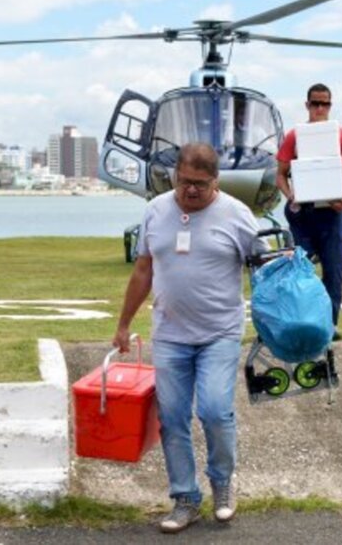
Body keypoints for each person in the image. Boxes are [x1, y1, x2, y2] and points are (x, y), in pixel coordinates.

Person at [112, 142, 266, 534]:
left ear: (215, 181)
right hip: (169, 334)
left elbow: (264, 267)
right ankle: (185, 498)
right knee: (172, 418)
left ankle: (222, 484)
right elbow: (143, 270)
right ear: (174, 176)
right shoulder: (156, 210)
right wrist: (124, 323)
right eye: (184, 182)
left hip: (219, 332)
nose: (190, 191)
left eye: (200, 183)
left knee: (215, 411)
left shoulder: (236, 215)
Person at [275, 83, 342, 338]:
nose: (320, 108)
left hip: (331, 213)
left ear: (330, 106)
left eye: (325, 104)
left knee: (334, 270)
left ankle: (329, 325)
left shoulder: (341, 136)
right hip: (303, 214)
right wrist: (291, 197)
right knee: (300, 269)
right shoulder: (294, 137)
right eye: (315, 103)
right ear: (307, 105)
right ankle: (301, 321)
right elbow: (280, 174)